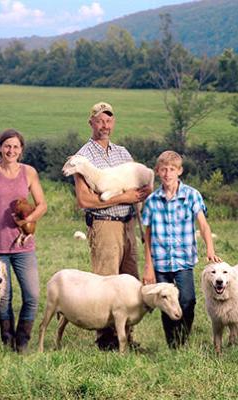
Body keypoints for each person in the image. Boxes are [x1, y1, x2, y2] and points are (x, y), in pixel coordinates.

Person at [73, 101, 152, 350]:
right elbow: (84, 199)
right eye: (99, 120)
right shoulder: (83, 157)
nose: (104, 125)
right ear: (91, 123)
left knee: (129, 280)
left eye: (108, 120)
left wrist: (145, 192)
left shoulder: (123, 153)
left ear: (113, 122)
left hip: (128, 222)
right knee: (107, 281)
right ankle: (106, 338)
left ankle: (126, 336)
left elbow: (137, 188)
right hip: (105, 224)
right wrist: (123, 198)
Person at [0, 129, 47, 353]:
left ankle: (22, 341)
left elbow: (42, 204)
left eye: (16, 147)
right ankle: (7, 340)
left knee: (33, 295)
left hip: (23, 244)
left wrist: (29, 218)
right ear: (0, 148)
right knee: (3, 299)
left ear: (21, 150)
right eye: (7, 146)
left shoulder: (29, 172)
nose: (11, 150)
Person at [141, 150, 222, 348]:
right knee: (166, 302)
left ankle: (183, 337)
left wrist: (209, 249)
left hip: (183, 260)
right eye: (164, 170)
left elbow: (203, 225)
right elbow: (148, 235)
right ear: (158, 172)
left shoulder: (192, 196)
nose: (168, 174)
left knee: (187, 300)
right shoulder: (152, 201)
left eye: (172, 169)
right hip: (160, 262)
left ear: (180, 171)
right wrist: (148, 266)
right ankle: (172, 344)